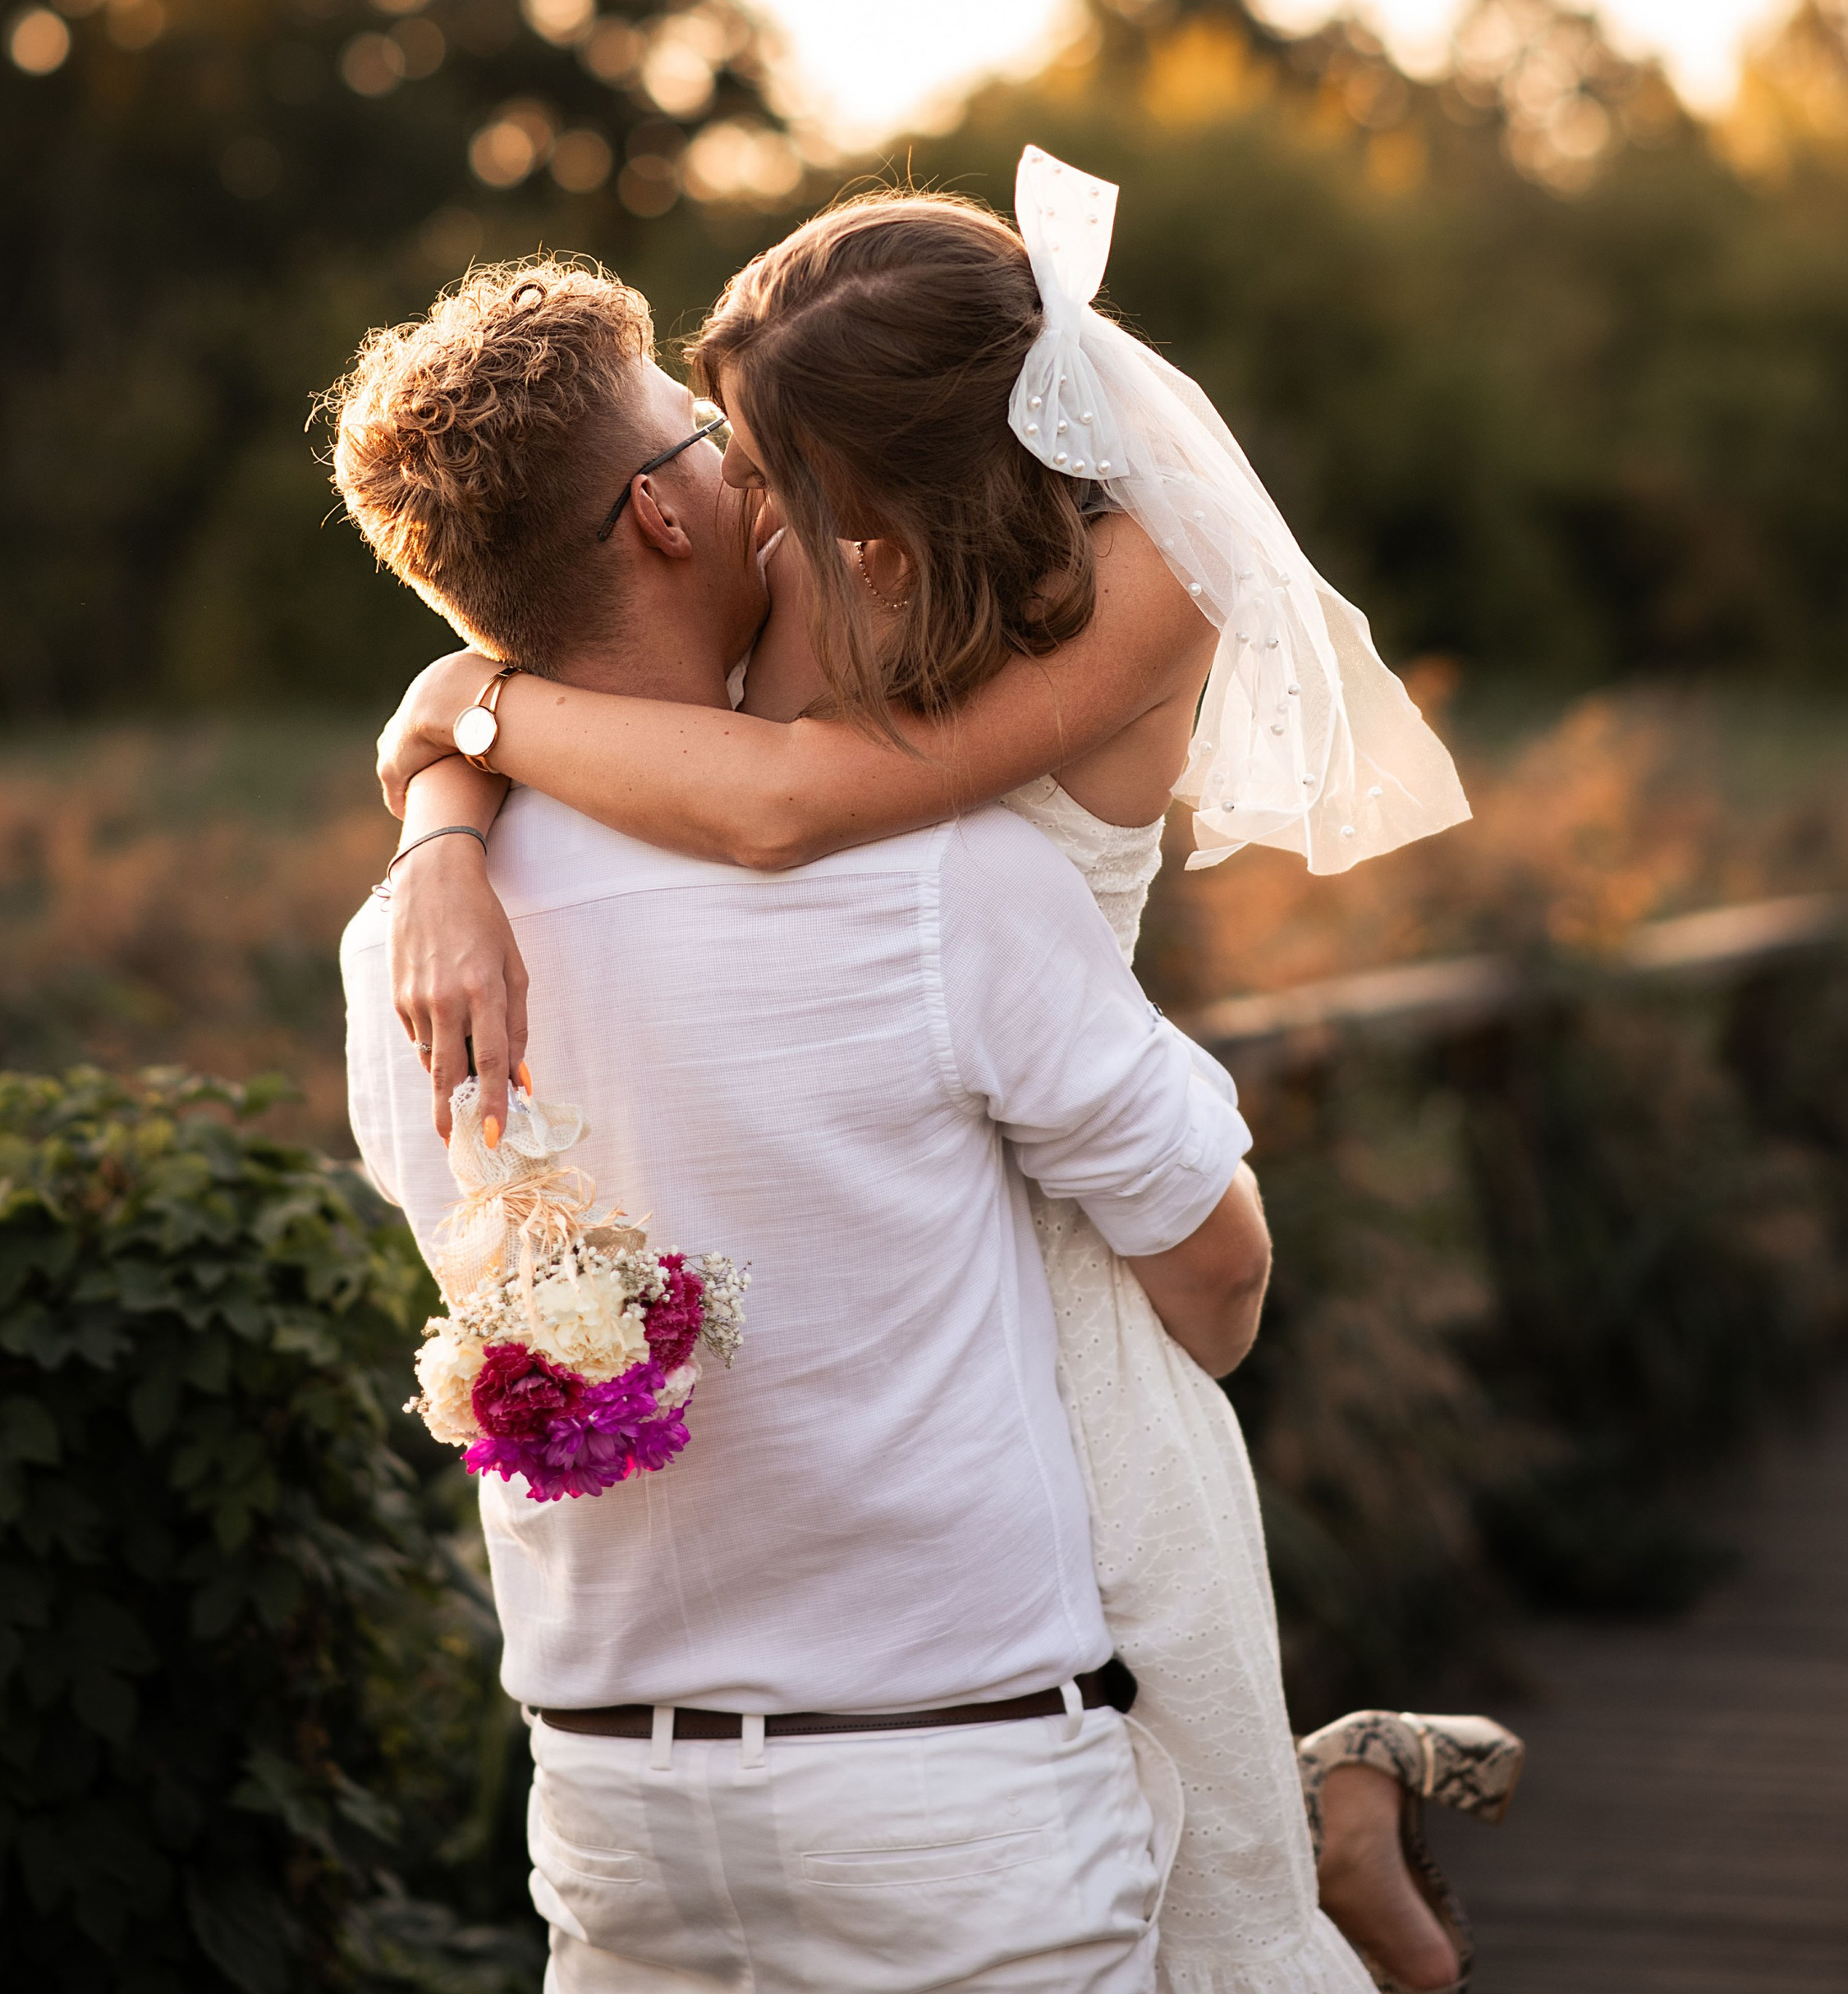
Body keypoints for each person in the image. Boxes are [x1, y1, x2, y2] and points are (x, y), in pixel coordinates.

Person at [332, 159, 1516, 1994]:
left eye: (763, 455)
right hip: (925, 1291)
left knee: (1194, 1825)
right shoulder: (806, 642)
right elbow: (553, 666)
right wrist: (445, 804)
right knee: (1161, 1809)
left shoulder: (1122, 590)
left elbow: (783, 805)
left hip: (1014, 1242)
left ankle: (1324, 1851)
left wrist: (458, 744)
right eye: (714, 450)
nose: (750, 490)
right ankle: (1326, 1833)